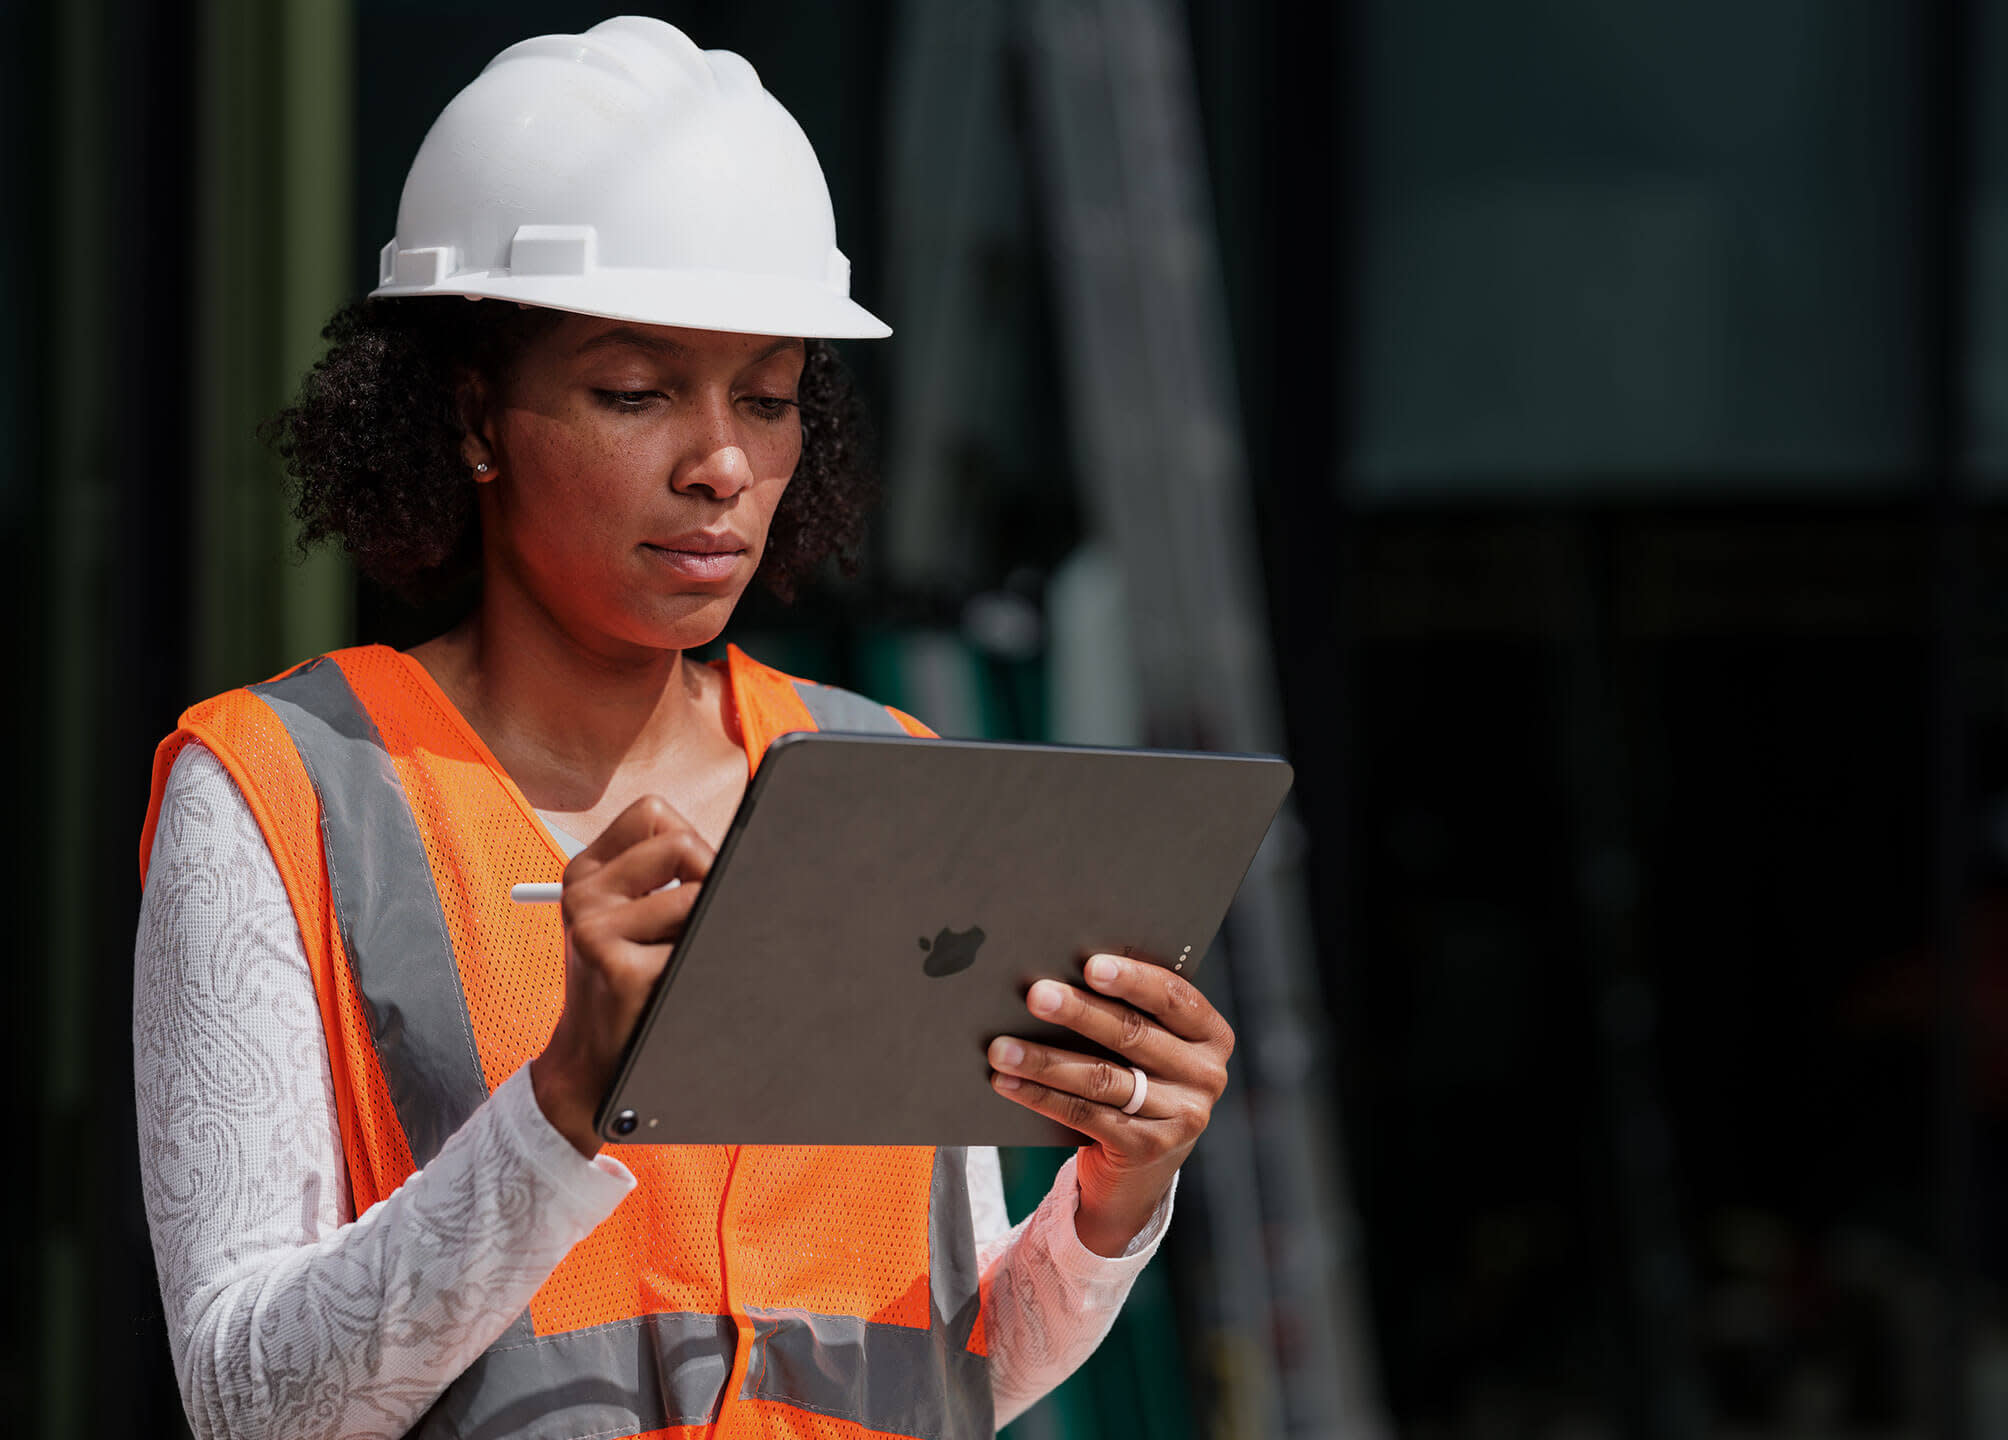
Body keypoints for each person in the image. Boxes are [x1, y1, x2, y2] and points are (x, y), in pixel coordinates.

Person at [131, 18, 1232, 1439]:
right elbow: (246, 1404)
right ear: (472, 413)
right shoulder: (281, 793)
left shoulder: (884, 777)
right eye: (635, 392)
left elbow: (949, 1365)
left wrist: (1114, 1198)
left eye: (767, 399)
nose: (721, 463)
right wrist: (566, 1104)